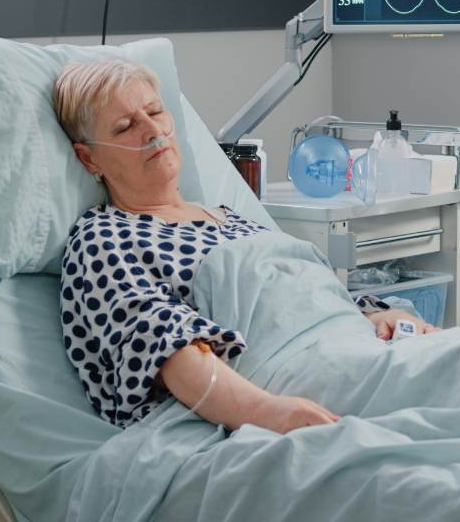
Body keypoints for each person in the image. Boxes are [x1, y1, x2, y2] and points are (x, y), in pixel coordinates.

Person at [51, 58, 437, 434]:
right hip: (288, 374)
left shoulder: (230, 217)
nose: (153, 131)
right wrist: (269, 414)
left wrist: (374, 318)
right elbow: (165, 345)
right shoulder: (104, 237)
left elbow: (303, 293)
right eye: (124, 127)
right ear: (89, 158)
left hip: (357, 343)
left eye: (155, 111)